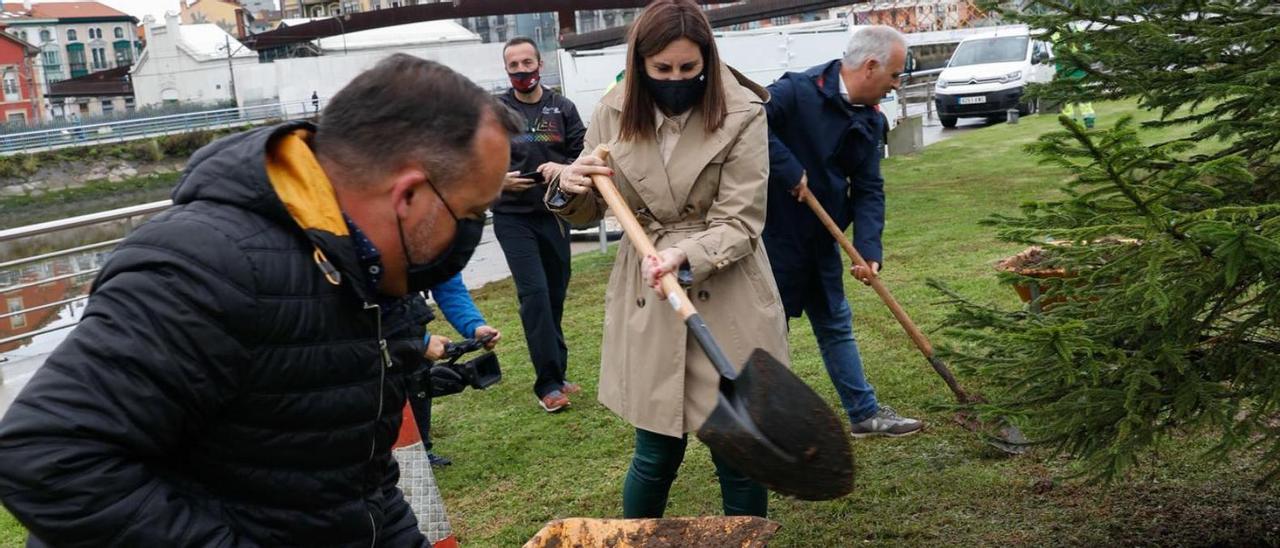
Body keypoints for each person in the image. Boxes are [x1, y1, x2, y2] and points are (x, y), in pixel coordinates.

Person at [0, 54, 521, 546]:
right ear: (408, 195)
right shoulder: (207, 263)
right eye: (472, 213)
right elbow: (48, 456)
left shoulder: (364, 277)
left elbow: (356, 480)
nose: (473, 231)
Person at [551, 0, 787, 519]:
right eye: (662, 70)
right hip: (650, 294)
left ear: (707, 58)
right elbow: (591, 207)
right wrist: (569, 186)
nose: (676, 79)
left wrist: (685, 253)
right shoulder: (611, 112)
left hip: (729, 291)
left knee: (738, 453)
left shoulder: (744, 111)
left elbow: (743, 219)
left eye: (688, 68)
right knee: (656, 452)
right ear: (640, 64)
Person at [761, 25, 925, 438]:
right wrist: (787, 169)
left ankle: (864, 414)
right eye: (894, 75)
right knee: (765, 330)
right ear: (870, 67)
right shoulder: (795, 92)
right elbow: (747, 122)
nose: (895, 84)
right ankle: (761, 423)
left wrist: (868, 250)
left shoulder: (871, 120)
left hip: (822, 239)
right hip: (770, 239)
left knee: (835, 323)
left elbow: (869, 188)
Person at [495, 37, 587, 413]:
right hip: (513, 218)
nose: (521, 71)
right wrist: (497, 179)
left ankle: (558, 372)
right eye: (513, 65)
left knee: (554, 294)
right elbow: (472, 156)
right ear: (507, 70)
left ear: (540, 64)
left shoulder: (562, 107)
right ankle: (547, 384)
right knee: (534, 296)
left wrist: (564, 171)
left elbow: (584, 151)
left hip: (556, 214)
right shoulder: (495, 110)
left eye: (526, 63)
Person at [416, 272, 501, 467]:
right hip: (354, 338)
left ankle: (419, 450)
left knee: (418, 377)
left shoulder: (436, 246)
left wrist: (475, 327)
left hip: (403, 327)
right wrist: (418, 342)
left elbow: (448, 286)